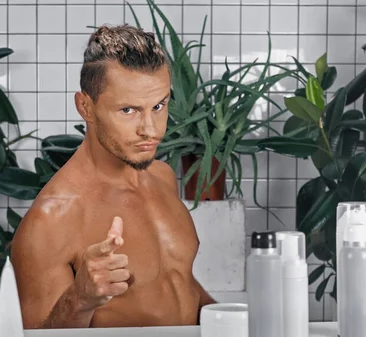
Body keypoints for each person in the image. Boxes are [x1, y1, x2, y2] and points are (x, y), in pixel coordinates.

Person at [11, 23, 216, 329]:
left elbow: (177, 282)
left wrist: (233, 321)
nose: (151, 129)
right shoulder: (50, 220)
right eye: (128, 111)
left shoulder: (161, 177)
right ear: (86, 107)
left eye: (158, 106)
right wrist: (80, 298)